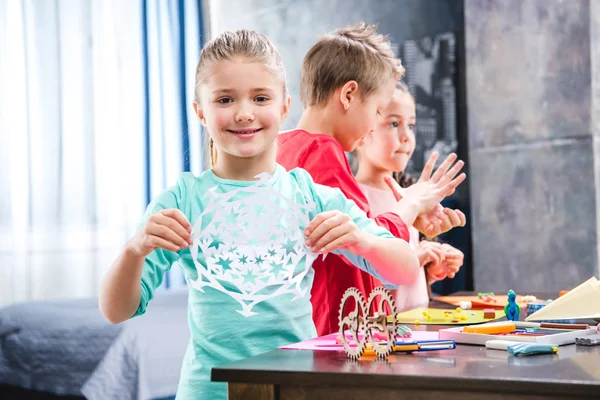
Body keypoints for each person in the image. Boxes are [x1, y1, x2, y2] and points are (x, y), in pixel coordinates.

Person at [98, 29, 422, 400]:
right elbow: (115, 311)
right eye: (224, 99)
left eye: (260, 97)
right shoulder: (183, 200)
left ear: (284, 106)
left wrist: (363, 240)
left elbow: (404, 268)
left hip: (295, 391)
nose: (244, 113)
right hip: (208, 393)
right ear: (200, 110)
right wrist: (133, 251)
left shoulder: (310, 196)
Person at [276, 22, 466, 335]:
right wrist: (411, 203)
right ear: (349, 95)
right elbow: (369, 246)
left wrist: (411, 216)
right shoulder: (322, 152)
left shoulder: (285, 146)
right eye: (378, 111)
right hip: (337, 334)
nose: (375, 122)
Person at [355, 80, 465, 310]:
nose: (407, 136)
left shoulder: (410, 194)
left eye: (411, 125)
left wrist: (431, 268)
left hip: (418, 328)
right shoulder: (352, 199)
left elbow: (405, 285)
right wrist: (416, 257)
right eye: (394, 123)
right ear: (362, 131)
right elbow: (363, 280)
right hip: (381, 337)